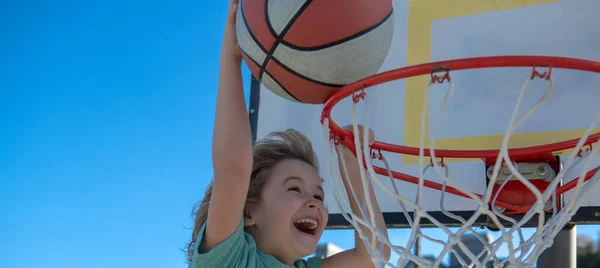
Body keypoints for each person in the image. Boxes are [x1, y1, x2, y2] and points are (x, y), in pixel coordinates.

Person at [185, 1, 390, 267]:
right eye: (294, 188)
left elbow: (373, 254)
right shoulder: (231, 259)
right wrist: (232, 57)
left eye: (318, 196)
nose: (315, 203)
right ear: (247, 212)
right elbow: (233, 171)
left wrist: (351, 166)